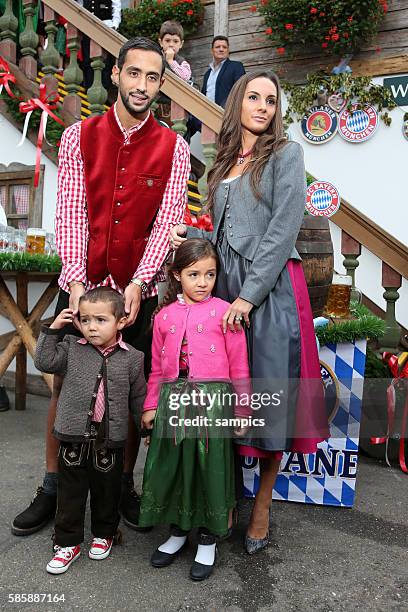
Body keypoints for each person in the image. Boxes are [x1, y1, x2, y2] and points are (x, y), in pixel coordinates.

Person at [11, 37, 190, 537]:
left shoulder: (173, 148)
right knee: (67, 389)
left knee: (130, 395)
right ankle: (52, 488)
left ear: (161, 84)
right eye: (134, 74)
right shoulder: (78, 137)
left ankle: (122, 486)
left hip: (137, 293)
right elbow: (68, 211)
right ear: (115, 74)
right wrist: (74, 283)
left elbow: (167, 221)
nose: (142, 86)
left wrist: (139, 282)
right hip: (83, 288)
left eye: (153, 78)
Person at [170, 70, 328, 555]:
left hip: (273, 288)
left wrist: (248, 296)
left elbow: (283, 230)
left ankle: (261, 505)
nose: (263, 106)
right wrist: (192, 244)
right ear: (237, 102)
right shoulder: (215, 167)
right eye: (254, 97)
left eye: (271, 100)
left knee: (270, 398)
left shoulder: (287, 153)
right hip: (225, 287)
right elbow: (219, 235)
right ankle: (229, 496)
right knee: (229, 394)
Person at [138, 238, 251, 581]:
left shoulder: (225, 312)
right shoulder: (163, 316)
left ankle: (207, 537)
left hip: (212, 404)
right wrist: (151, 405)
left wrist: (242, 410)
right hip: (174, 401)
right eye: (193, 274)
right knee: (174, 467)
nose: (203, 282)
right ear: (176, 275)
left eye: (210, 274)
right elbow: (156, 368)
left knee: (207, 468)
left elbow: (240, 367)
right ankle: (177, 530)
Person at [34, 287, 146, 574]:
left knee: (106, 489)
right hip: (73, 434)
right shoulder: (72, 348)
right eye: (85, 320)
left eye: (100, 320)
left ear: (120, 321)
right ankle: (67, 542)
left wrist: (146, 426)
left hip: (110, 436)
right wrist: (53, 329)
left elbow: (138, 399)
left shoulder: (133, 358)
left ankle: (104, 534)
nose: (91, 327)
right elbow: (43, 362)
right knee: (70, 489)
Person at [186, 35, 245, 139]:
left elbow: (241, 91)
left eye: (224, 47)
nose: (221, 49)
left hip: (225, 114)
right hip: (207, 113)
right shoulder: (208, 74)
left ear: (228, 50)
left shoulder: (236, 66)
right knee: (189, 123)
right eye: (218, 47)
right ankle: (180, 146)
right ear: (212, 50)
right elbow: (204, 95)